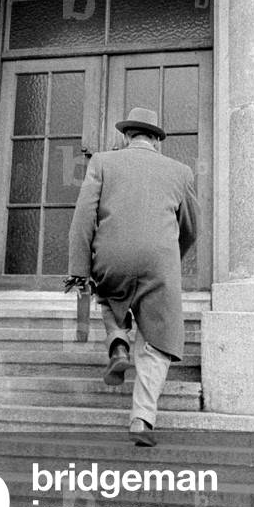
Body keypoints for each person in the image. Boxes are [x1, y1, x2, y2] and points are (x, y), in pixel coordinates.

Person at [67, 107, 199, 446]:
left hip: (112, 257)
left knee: (106, 294)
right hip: (160, 261)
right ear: (156, 140)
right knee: (158, 340)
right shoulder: (180, 172)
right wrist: (168, 259)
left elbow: (83, 219)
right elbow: (190, 230)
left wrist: (79, 272)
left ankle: (118, 342)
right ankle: (142, 419)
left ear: (127, 137)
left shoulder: (102, 163)